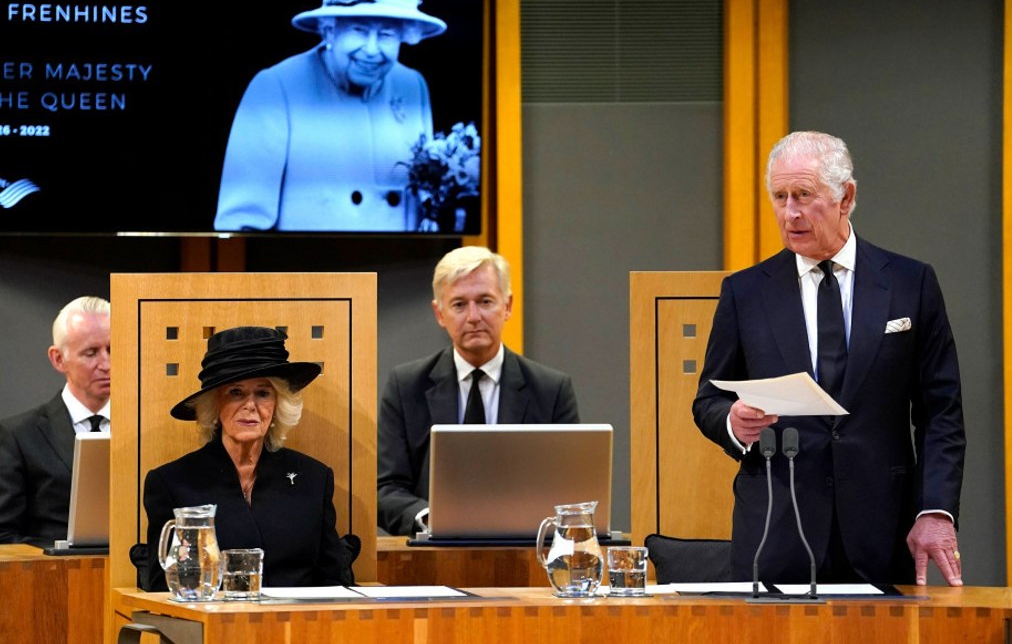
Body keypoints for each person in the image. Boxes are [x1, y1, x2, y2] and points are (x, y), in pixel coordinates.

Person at [693, 131, 966, 587]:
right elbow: (708, 399)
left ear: (846, 197)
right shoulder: (746, 292)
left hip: (883, 527)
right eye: (779, 197)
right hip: (776, 530)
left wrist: (934, 510)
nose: (790, 212)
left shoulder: (909, 283)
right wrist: (732, 422)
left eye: (804, 195)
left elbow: (942, 412)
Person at [214, 0, 447, 232]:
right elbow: (241, 226)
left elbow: (423, 209)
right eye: (359, 31)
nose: (372, 50)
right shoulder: (275, 87)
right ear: (329, 31)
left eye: (387, 34)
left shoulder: (412, 85)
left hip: (401, 269)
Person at [377, 246, 580, 536]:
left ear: (507, 306)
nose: (473, 316)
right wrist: (432, 518)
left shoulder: (551, 390)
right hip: (431, 558)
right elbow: (386, 488)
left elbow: (570, 489)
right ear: (439, 313)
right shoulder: (406, 386)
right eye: (459, 304)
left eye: (485, 301)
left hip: (525, 554)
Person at [142, 326, 352, 589]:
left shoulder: (314, 478)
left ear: (277, 404)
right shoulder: (172, 483)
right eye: (236, 393)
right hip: (211, 626)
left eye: (263, 393)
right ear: (214, 404)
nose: (250, 405)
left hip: (298, 626)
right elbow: (162, 587)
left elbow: (334, 581)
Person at [0, 296, 111, 545]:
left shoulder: (143, 428)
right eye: (91, 353)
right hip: (52, 576)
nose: (106, 364)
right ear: (58, 359)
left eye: (112, 350)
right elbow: (4, 535)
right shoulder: (18, 436)